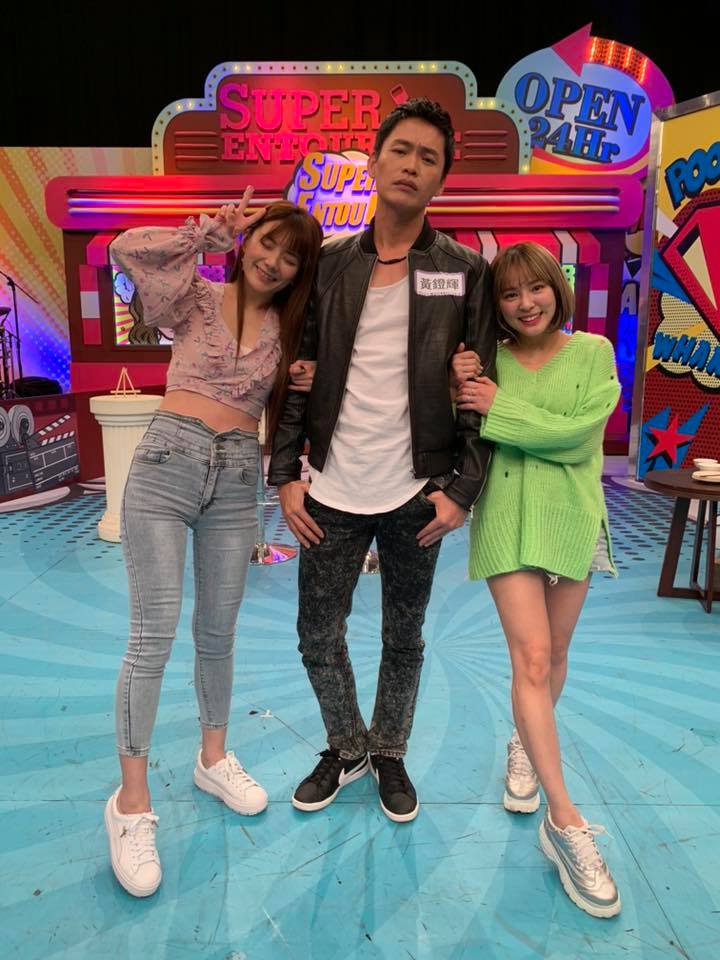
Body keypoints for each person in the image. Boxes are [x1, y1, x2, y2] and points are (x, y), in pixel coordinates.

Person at [268, 98, 497, 823]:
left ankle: (390, 749)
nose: (411, 165)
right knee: (316, 633)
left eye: (429, 158)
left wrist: (462, 489)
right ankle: (347, 746)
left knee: (405, 635)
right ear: (374, 161)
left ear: (441, 181)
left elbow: (482, 387)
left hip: (416, 490)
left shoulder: (464, 270)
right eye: (401, 149)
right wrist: (285, 475)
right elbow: (297, 371)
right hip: (331, 486)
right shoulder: (330, 265)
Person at [105, 192, 323, 897]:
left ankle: (212, 758)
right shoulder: (195, 295)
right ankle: (130, 802)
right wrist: (204, 233)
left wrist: (303, 381)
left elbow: (307, 402)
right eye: (267, 242)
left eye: (291, 257)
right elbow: (125, 250)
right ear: (247, 240)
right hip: (167, 463)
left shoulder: (290, 331)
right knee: (152, 635)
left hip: (236, 478)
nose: (274, 261)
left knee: (218, 633)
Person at [452, 241, 622, 918]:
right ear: (495, 305)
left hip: (573, 515)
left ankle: (524, 743)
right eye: (509, 293)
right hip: (506, 516)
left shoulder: (594, 352)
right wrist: (464, 388)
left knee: (555, 654)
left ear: (558, 287)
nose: (525, 304)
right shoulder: (485, 360)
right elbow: (466, 429)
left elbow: (580, 438)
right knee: (532, 657)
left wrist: (503, 411)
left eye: (536, 288)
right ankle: (564, 818)